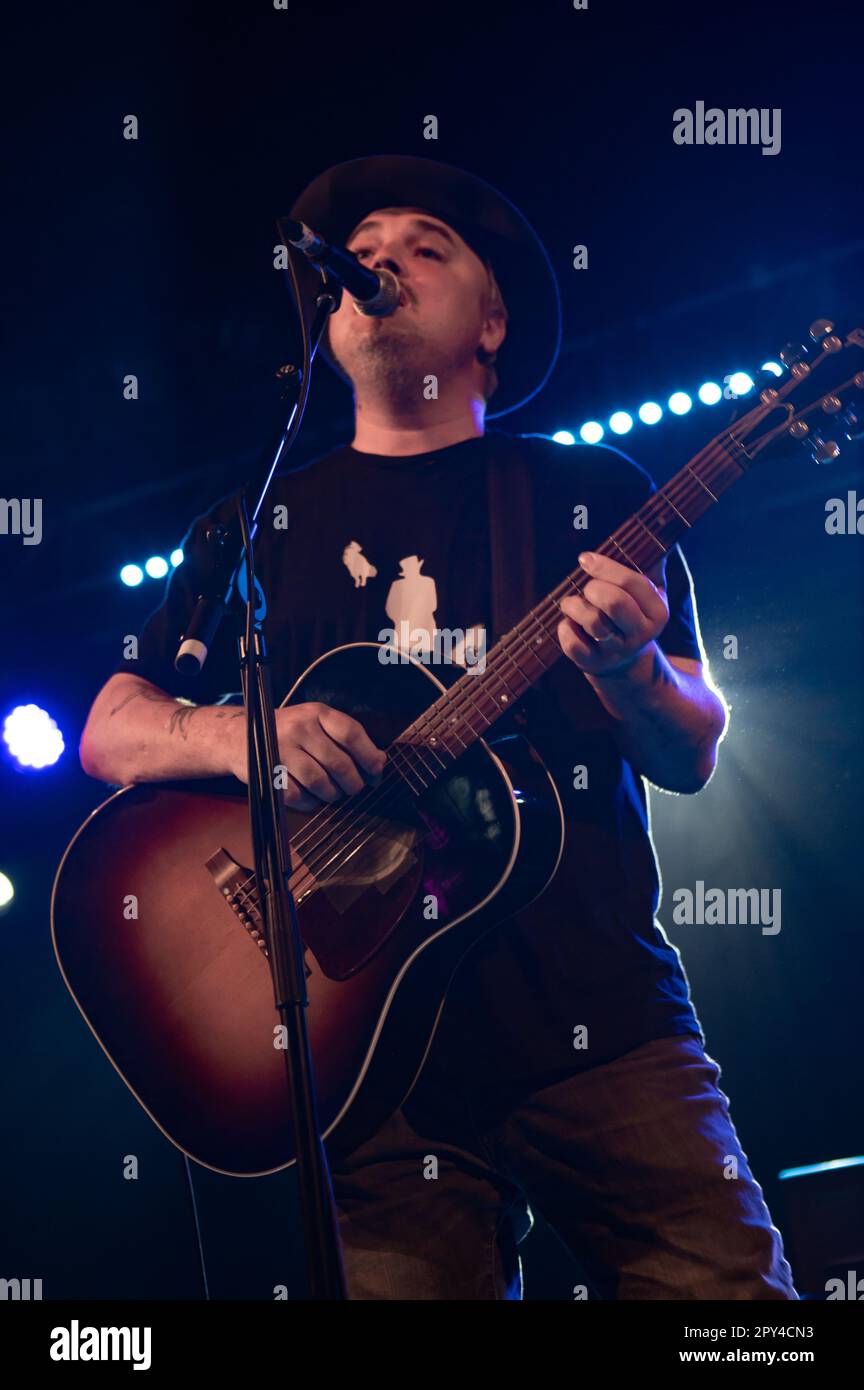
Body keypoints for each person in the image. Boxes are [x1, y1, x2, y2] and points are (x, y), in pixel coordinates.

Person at [79, 155, 798, 1301]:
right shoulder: (261, 523)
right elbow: (113, 724)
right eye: (365, 250)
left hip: (600, 1024)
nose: (383, 262)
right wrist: (243, 741)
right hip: (370, 1069)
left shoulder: (587, 494)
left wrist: (627, 671)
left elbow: (693, 747)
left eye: (426, 246)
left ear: (494, 320)